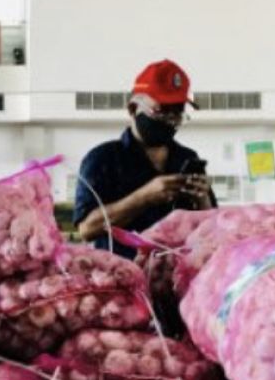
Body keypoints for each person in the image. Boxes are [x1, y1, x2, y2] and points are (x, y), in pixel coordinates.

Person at [74, 60, 215, 256]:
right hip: (122, 278)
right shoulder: (102, 159)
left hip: (177, 277)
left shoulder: (187, 158)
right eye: (161, 112)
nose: (171, 122)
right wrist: (143, 198)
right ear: (133, 109)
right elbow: (87, 229)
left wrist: (202, 199)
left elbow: (211, 226)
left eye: (177, 113)